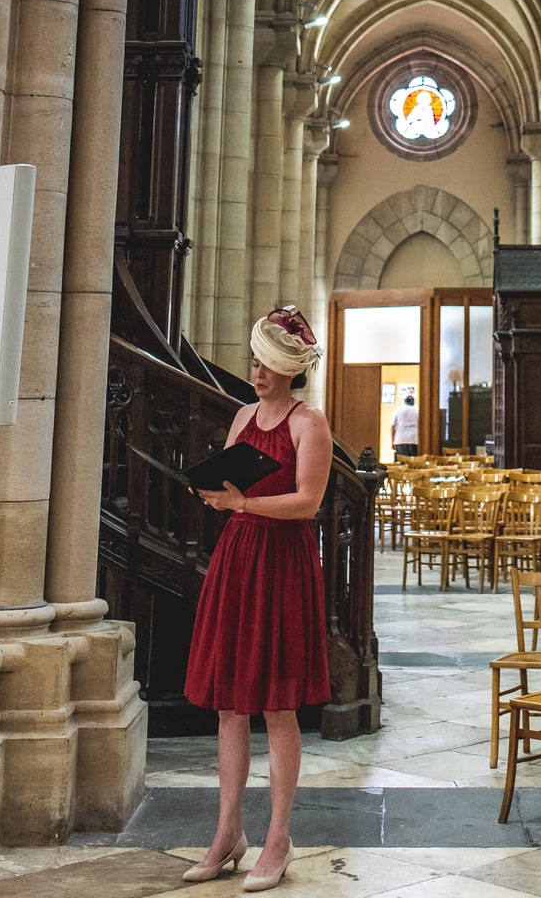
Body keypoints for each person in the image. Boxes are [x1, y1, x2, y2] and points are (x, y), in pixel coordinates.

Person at [183, 306, 333, 891]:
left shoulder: (309, 422)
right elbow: (230, 484)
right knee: (229, 704)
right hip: (239, 556)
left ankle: (278, 838)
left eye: (268, 365)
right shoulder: (243, 415)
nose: (258, 372)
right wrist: (215, 493)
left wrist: (242, 503)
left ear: (292, 370)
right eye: (254, 362)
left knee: (277, 705)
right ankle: (228, 832)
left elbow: (308, 503)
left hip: (283, 562)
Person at [390, 392, 418, 458]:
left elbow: (392, 426)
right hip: (414, 439)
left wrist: (393, 441)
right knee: (414, 461)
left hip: (400, 439)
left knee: (402, 460)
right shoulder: (417, 410)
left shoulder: (398, 410)